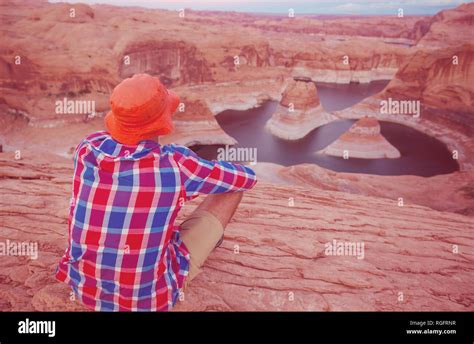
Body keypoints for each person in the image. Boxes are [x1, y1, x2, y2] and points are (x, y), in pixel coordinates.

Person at [55, 73, 257, 311]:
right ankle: (208, 240)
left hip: (85, 290)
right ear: (163, 118)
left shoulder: (87, 148)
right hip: (147, 301)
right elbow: (245, 179)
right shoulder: (176, 164)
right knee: (231, 190)